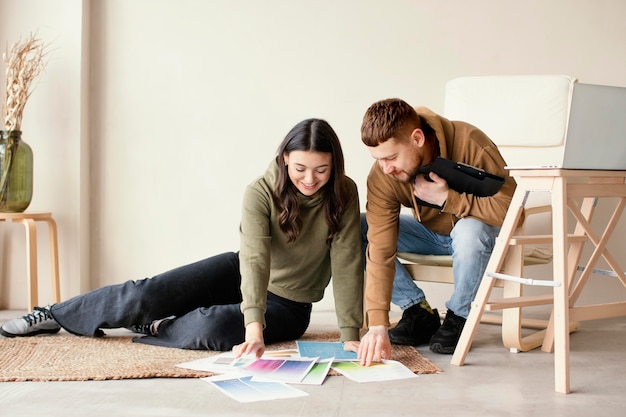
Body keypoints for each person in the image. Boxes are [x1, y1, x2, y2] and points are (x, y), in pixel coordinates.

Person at [0, 118, 364, 359]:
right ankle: (56, 314)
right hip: (243, 272)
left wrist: (350, 333)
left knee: (216, 326)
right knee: (148, 292)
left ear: (334, 167)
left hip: (289, 304)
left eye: (321, 170)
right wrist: (254, 326)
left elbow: (347, 262)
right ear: (285, 159)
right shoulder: (260, 191)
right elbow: (254, 259)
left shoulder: (344, 193)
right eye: (300, 168)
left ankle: (158, 325)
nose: (310, 179)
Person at [357, 98, 516, 365]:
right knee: (356, 227)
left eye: (391, 157)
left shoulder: (470, 141)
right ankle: (417, 311)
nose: (386, 168)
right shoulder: (383, 175)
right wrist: (377, 324)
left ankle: (459, 316)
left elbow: (513, 209)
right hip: (432, 236)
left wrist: (448, 200)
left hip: (477, 237)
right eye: (378, 159)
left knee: (469, 229)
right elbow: (380, 246)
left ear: (417, 138)